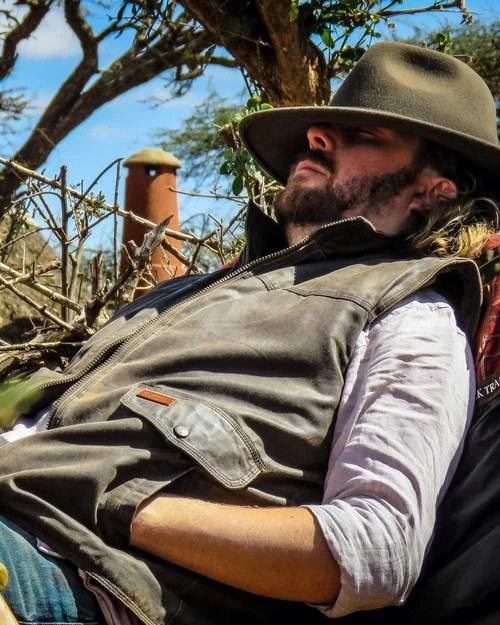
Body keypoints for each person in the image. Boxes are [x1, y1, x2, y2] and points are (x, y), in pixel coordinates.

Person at [0, 42, 499, 625]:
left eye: (364, 133)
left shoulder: (408, 316)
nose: (316, 136)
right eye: (323, 127)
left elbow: (376, 551)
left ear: (434, 190)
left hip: (80, 573)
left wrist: (115, 503)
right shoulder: (187, 292)